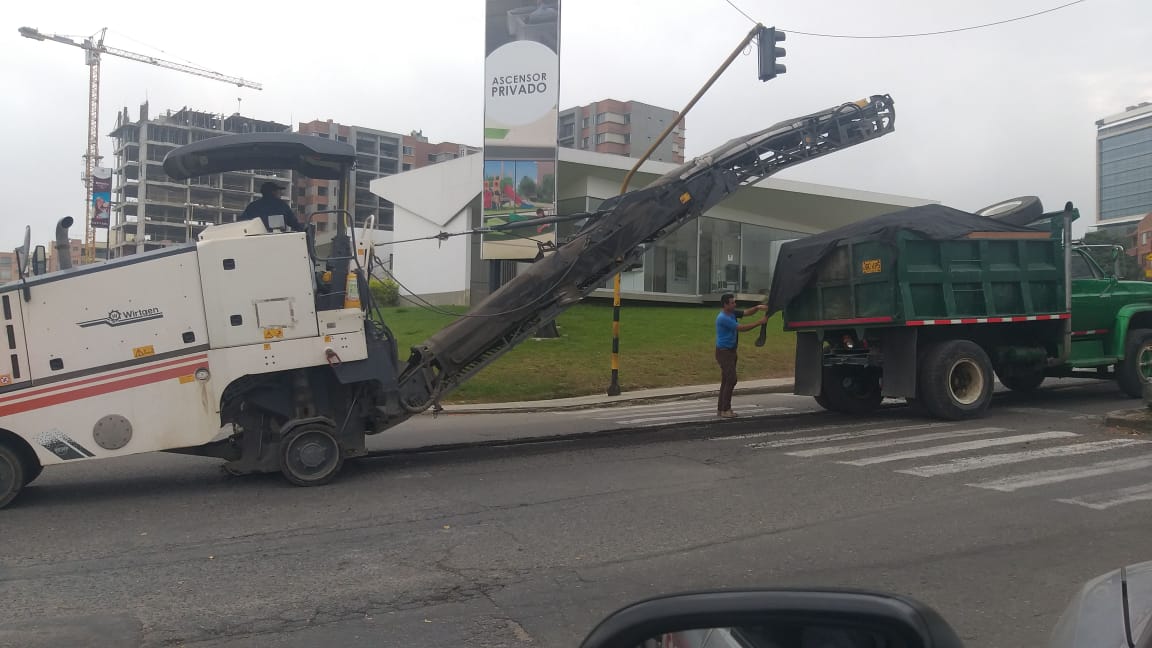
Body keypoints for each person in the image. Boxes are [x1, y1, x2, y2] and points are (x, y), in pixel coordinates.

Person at [715, 294, 768, 418]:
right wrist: (760, 322)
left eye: (734, 302)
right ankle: (726, 409)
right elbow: (741, 328)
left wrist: (758, 307)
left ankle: (721, 409)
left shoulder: (732, 313)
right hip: (724, 352)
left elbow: (746, 313)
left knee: (726, 380)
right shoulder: (723, 318)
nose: (735, 304)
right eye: (732, 303)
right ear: (725, 305)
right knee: (732, 379)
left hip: (730, 351)